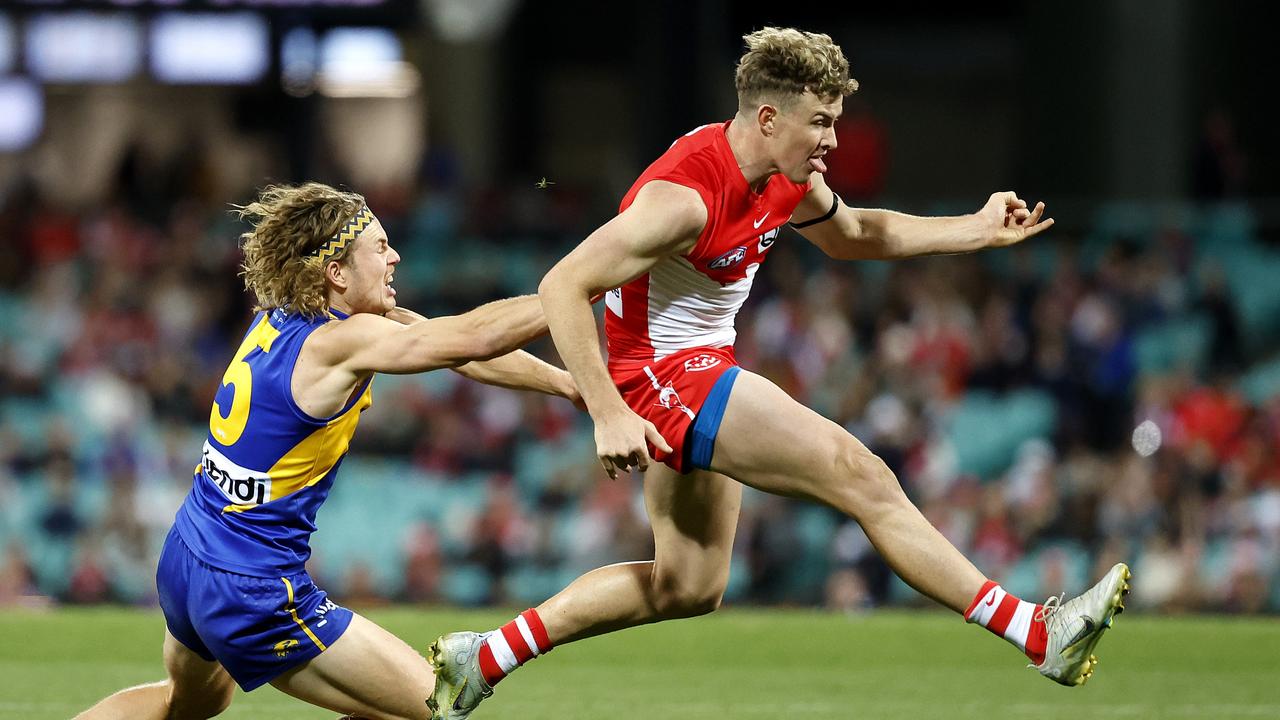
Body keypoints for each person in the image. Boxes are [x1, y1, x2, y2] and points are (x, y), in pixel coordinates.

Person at [426, 27, 1130, 719]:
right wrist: (609, 410)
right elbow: (561, 286)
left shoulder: (788, 178)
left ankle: (479, 660)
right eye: (820, 123)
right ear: (768, 117)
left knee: (689, 587)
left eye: (835, 121)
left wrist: (971, 229)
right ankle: (1041, 634)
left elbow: (854, 235)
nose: (831, 140)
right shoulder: (686, 198)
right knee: (862, 475)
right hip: (662, 374)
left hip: (701, 366)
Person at [75, 182, 579, 720]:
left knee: (185, 706)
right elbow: (470, 338)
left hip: (188, 555)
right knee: (437, 705)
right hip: (252, 585)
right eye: (380, 248)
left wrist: (569, 384)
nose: (395, 257)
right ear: (336, 273)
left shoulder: (280, 315)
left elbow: (460, 351)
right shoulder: (340, 342)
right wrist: (578, 286)